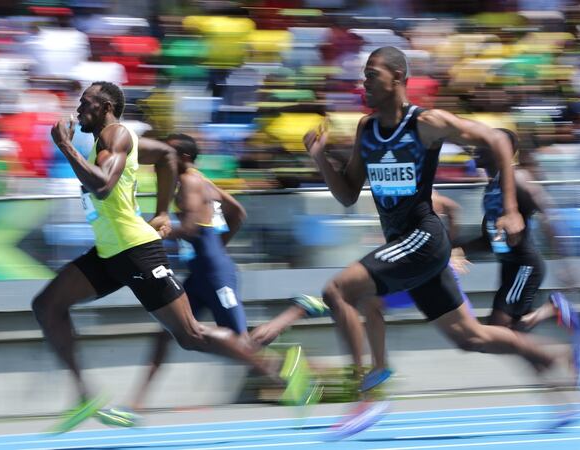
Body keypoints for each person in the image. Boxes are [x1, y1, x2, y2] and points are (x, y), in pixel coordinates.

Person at [302, 47, 580, 439]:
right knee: (470, 337)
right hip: (404, 246)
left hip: (424, 238)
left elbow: (496, 139)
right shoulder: (366, 130)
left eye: (372, 74)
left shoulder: (426, 122)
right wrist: (321, 158)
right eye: (363, 76)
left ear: (397, 78)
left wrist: (511, 208)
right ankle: (562, 357)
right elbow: (347, 194)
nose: (364, 83)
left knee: (337, 290)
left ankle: (368, 391)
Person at [34, 81, 309, 433]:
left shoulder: (115, 136)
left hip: (135, 252)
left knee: (191, 334)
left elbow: (102, 187)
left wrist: (65, 146)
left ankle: (280, 369)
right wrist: (162, 211)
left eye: (85, 103)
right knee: (47, 305)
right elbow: (166, 155)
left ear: (104, 108)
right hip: (109, 252)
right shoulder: (116, 139)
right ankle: (84, 396)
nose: (77, 109)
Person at [97, 133, 253, 427]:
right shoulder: (200, 180)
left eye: (168, 153)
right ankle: (135, 405)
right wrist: (217, 246)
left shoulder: (191, 183)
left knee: (241, 345)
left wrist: (155, 232)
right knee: (169, 333)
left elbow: (193, 227)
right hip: (201, 274)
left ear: (182, 158)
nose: (161, 159)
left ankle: (299, 315)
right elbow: (238, 212)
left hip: (216, 274)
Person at [250, 191, 470, 391]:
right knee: (359, 299)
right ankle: (372, 371)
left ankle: (368, 372)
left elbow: (451, 208)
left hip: (426, 271)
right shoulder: (386, 194)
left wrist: (451, 248)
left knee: (474, 338)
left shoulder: (417, 192)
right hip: (409, 270)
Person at [463, 128, 580, 331]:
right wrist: (456, 250)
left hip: (524, 265)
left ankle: (555, 308)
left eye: (484, 145)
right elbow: (489, 238)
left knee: (500, 327)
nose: (476, 149)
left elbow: (549, 216)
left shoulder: (517, 178)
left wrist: (566, 264)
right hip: (508, 264)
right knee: (509, 329)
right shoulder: (492, 185)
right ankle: (555, 311)